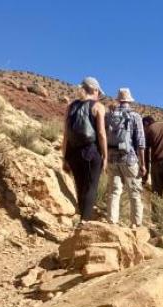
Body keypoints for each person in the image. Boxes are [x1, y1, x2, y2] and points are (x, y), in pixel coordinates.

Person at [62, 77, 108, 222]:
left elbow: (65, 134)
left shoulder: (70, 106)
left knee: (80, 187)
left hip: (73, 153)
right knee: (91, 188)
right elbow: (101, 133)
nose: (98, 95)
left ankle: (82, 219)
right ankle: (85, 223)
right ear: (94, 90)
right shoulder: (98, 106)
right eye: (98, 92)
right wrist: (105, 156)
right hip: (91, 152)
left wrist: (64, 156)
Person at [105, 88, 146, 228]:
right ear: (129, 100)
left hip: (111, 157)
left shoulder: (109, 115)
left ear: (118, 100)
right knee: (134, 191)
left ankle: (112, 221)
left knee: (114, 190)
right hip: (129, 158)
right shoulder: (135, 116)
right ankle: (136, 223)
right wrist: (143, 164)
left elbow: (104, 136)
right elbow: (140, 142)